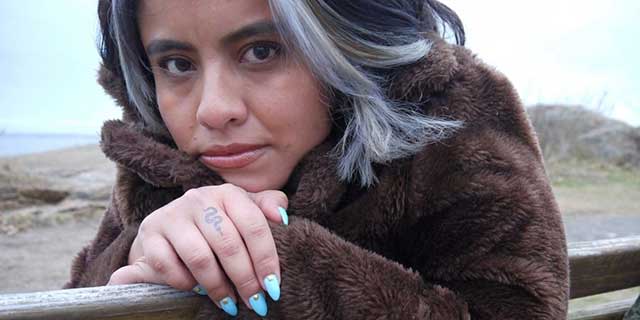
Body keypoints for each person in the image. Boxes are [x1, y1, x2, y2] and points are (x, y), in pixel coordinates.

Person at [65, 0, 570, 318]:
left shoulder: (455, 125)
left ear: (343, 45)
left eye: (262, 51)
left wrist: (271, 259)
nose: (213, 109)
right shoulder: (159, 152)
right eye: (176, 65)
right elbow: (74, 296)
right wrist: (140, 253)